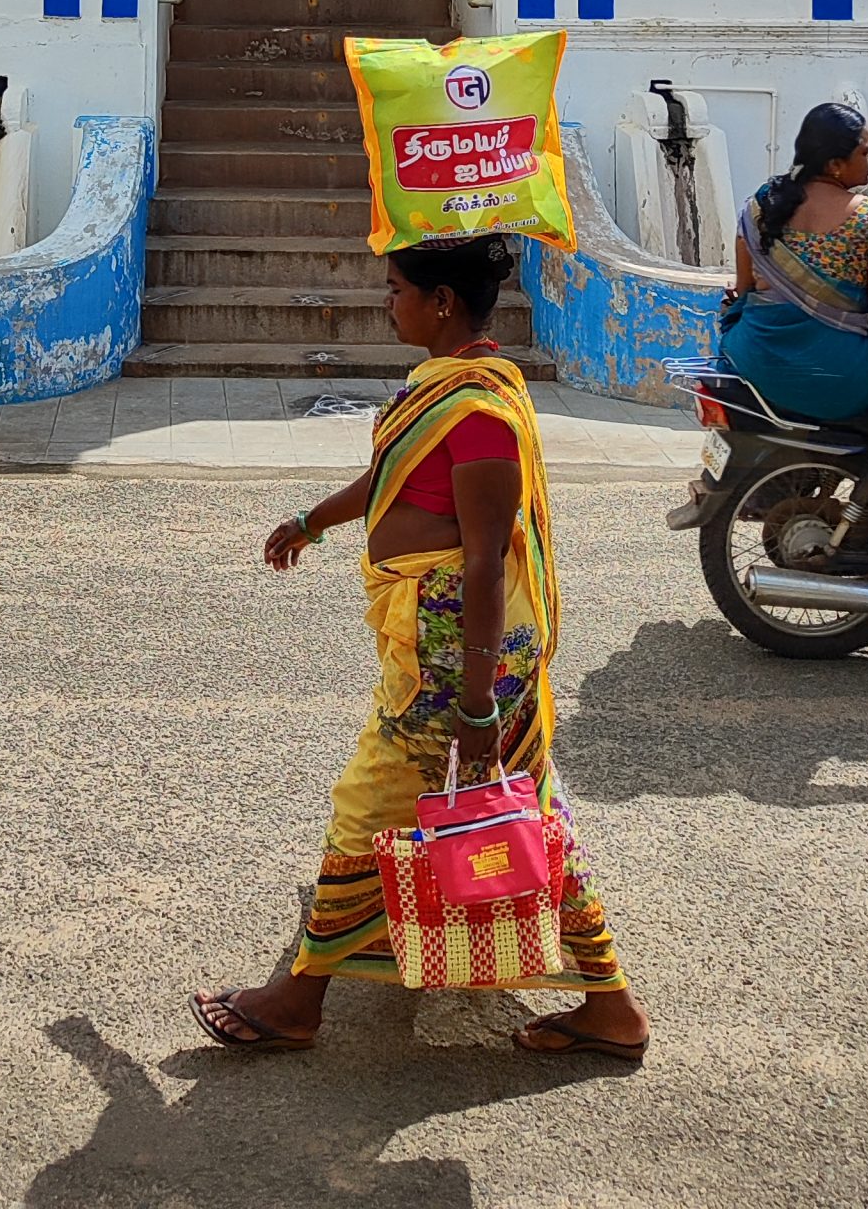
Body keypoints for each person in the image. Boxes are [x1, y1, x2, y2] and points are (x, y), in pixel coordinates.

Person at [190, 236, 649, 1064]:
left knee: (369, 808)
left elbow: (483, 559)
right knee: (529, 814)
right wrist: (314, 522)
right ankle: (611, 1007)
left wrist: (477, 704)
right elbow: (393, 476)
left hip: (457, 663)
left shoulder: (479, 414)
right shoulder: (441, 390)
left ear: (441, 302)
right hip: (434, 650)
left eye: (397, 290)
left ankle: (300, 999)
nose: (387, 303)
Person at [721, 101, 868, 446]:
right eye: (866, 154)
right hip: (838, 383)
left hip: (753, 364)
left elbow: (742, 290)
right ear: (835, 165)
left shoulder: (760, 203)